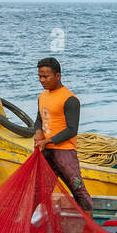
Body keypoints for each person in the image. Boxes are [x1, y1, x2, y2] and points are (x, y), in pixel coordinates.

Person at [32, 57, 93, 213]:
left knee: (78, 189)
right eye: (40, 76)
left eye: (46, 76)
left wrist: (49, 141)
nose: (42, 80)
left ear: (57, 76)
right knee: (39, 192)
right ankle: (25, 225)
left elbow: (72, 130)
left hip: (65, 154)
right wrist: (38, 133)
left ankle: (90, 230)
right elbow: (39, 119)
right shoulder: (42, 96)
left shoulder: (70, 99)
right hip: (46, 152)